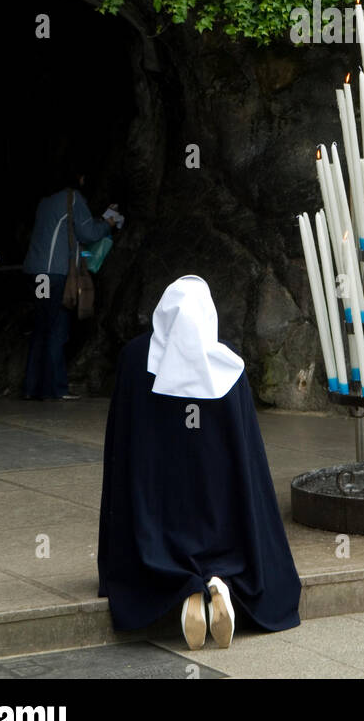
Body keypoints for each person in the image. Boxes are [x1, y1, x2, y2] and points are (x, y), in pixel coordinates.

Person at [97, 276, 301, 650]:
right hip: (218, 516)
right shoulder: (227, 363)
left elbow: (121, 445)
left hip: (155, 519)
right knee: (227, 547)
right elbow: (247, 459)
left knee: (155, 545)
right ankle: (218, 581)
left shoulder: (134, 358)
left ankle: (185, 588)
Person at [22, 170, 115, 401]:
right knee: (56, 329)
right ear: (80, 179)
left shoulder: (45, 202)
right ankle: (55, 389)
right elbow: (88, 232)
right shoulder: (73, 198)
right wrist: (108, 223)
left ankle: (31, 387)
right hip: (56, 273)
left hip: (38, 273)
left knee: (41, 327)